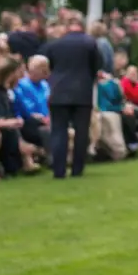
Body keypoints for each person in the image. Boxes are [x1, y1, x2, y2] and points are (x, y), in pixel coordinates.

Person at [43, 17, 101, 179]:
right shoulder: (90, 43)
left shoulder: (55, 45)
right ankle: (77, 168)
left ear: (67, 27)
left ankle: (59, 170)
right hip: (82, 92)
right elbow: (96, 66)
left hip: (58, 91)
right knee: (81, 132)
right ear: (82, 27)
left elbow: (50, 66)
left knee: (58, 131)